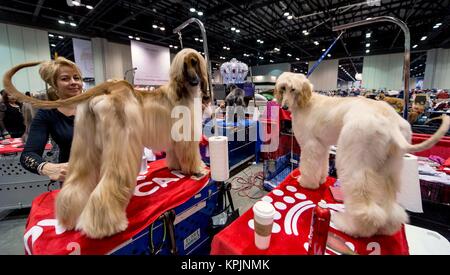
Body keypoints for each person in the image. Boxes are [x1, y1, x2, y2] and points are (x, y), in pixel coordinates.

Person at [20, 57, 83, 182]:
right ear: (54, 84)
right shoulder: (47, 113)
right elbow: (27, 156)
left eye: (76, 78)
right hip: (73, 181)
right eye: (65, 78)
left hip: (109, 176)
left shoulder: (98, 106)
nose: (73, 82)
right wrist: (48, 168)